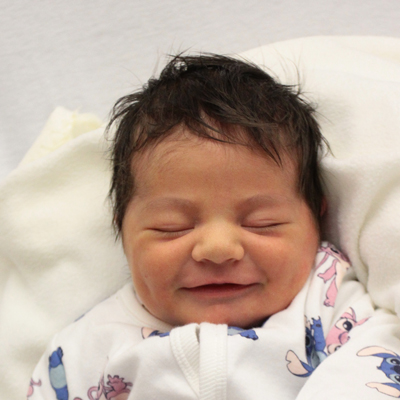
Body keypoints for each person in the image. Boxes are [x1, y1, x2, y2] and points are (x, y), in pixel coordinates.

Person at [27, 54, 400, 400]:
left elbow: (378, 367)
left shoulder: (329, 304)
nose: (218, 248)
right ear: (122, 231)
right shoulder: (86, 347)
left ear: (317, 220)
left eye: (262, 223)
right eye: (171, 227)